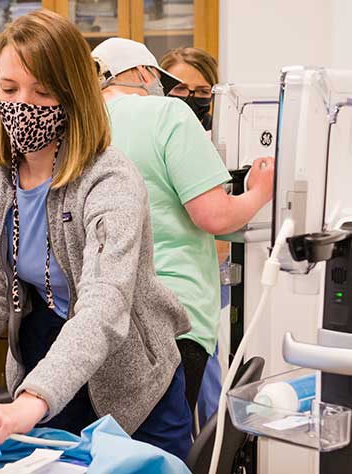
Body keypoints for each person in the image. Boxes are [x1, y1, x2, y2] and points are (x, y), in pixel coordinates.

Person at [0, 10, 194, 460]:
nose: (23, 104)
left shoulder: (109, 179)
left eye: (43, 92)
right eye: (9, 90)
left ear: (74, 96)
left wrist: (30, 400)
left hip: (131, 378)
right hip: (44, 359)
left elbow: (105, 304)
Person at [92, 38, 275, 414]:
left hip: (102, 311)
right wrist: (259, 192)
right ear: (145, 72)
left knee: (113, 441)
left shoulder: (84, 126)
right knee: (164, 448)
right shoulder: (167, 115)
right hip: (174, 311)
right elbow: (215, 216)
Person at [161, 46, 227, 426]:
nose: (190, 99)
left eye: (202, 93)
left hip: (215, 277)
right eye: (180, 89)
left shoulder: (219, 143)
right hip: (169, 282)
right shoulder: (151, 138)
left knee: (213, 385)